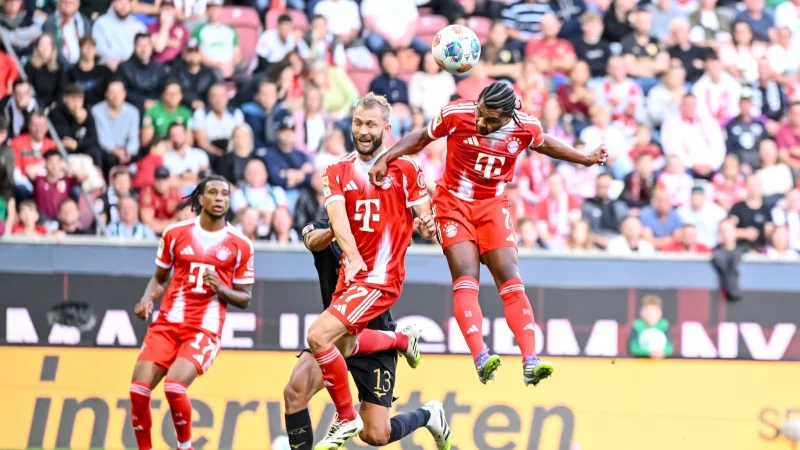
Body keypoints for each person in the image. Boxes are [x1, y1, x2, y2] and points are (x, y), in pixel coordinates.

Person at [368, 81, 608, 386]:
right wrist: (384, 158)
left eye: (491, 119)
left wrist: (585, 159)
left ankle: (530, 360)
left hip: (492, 205)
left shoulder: (525, 128)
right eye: (480, 113)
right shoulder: (457, 114)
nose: (482, 122)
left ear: (508, 117)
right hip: (452, 202)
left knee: (510, 277)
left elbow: (545, 142)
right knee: (466, 275)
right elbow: (421, 138)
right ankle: (480, 356)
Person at [307, 93, 441, 449]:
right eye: (357, 123)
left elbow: (425, 216)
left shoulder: (407, 168)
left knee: (318, 337)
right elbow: (337, 220)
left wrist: (428, 224)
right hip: (352, 279)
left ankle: (345, 418)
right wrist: (350, 256)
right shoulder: (336, 171)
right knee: (346, 347)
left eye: (370, 124)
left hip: (380, 279)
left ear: (386, 128)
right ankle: (402, 342)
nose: (363, 131)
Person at [283, 217, 450, 450]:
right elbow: (312, 241)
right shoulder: (323, 226)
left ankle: (429, 414)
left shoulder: (378, 227)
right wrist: (336, 229)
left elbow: (406, 230)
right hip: (333, 333)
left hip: (374, 337)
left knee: (376, 435)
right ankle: (400, 340)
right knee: (295, 392)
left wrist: (421, 224)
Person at [129, 175, 255, 450]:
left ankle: (185, 448)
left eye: (225, 194)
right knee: (138, 391)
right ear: (200, 198)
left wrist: (221, 288)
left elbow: (245, 297)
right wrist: (146, 299)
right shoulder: (175, 233)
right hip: (167, 324)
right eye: (213, 192)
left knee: (174, 388)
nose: (220, 198)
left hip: (203, 330)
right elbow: (160, 278)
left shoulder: (240, 244)